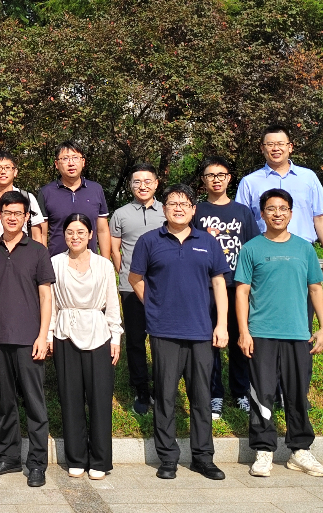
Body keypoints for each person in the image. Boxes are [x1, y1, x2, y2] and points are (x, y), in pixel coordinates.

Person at [129, 184, 229, 482]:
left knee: (201, 397)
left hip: (201, 331)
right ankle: (168, 458)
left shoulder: (207, 242)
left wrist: (222, 324)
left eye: (184, 204)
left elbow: (220, 284)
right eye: (173, 203)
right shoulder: (149, 241)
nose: (178, 208)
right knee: (165, 396)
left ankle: (203, 458)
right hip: (164, 331)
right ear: (164, 208)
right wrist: (154, 306)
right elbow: (135, 278)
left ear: (193, 209)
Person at [236, 188, 323, 478]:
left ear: (291, 213)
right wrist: (244, 331)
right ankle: (263, 451)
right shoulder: (251, 248)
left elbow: (315, 289)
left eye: (283, 209)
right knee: (262, 393)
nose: (277, 214)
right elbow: (242, 292)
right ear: (262, 213)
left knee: (297, 393)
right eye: (271, 208)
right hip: (261, 333)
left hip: (298, 333)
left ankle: (300, 451)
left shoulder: (304, 248)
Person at [0, 191, 54, 488]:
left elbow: (46, 296)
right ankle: (9, 457)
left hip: (29, 338)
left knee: (35, 403)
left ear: (26, 217)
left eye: (18, 214)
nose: (13, 218)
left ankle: (36, 463)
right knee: (5, 402)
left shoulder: (38, 251)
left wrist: (43, 335)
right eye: (7, 212)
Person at [49, 214, 122, 482]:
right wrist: (48, 335)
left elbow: (112, 303)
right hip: (65, 332)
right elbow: (51, 304)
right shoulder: (55, 263)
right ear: (63, 235)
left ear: (91, 235)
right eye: (70, 232)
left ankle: (100, 459)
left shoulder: (104, 265)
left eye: (81, 232)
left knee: (100, 398)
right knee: (70, 398)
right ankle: (76, 458)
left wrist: (116, 337)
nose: (75, 237)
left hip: (98, 333)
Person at [193, 156, 260, 419]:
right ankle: (215, 394)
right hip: (206, 288)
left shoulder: (242, 212)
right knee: (211, 341)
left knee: (239, 339)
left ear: (229, 178)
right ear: (204, 180)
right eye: (211, 175)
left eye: (221, 175)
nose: (216, 180)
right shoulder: (197, 211)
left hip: (238, 286)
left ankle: (241, 391)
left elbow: (253, 247)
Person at [235, 125, 323, 282]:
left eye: (280, 144)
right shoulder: (249, 182)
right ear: (262, 148)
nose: (275, 148)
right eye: (270, 144)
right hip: (263, 254)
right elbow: (241, 224)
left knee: (305, 296)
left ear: (290, 147)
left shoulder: (308, 178)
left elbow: (320, 218)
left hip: (302, 252)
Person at [108, 163, 165, 415]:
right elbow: (115, 249)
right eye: (137, 182)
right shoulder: (120, 214)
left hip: (164, 285)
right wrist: (126, 274)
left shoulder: (168, 210)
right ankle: (141, 388)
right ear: (130, 185)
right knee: (135, 340)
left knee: (163, 339)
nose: (142, 186)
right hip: (131, 286)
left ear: (156, 183)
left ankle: (162, 387)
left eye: (147, 181)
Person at [38, 141, 110, 258]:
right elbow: (42, 234)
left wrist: (105, 262)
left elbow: (103, 231)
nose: (71, 163)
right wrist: (43, 263)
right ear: (56, 164)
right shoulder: (46, 192)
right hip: (57, 262)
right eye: (65, 159)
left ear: (83, 162)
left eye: (75, 158)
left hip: (90, 262)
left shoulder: (96, 189)